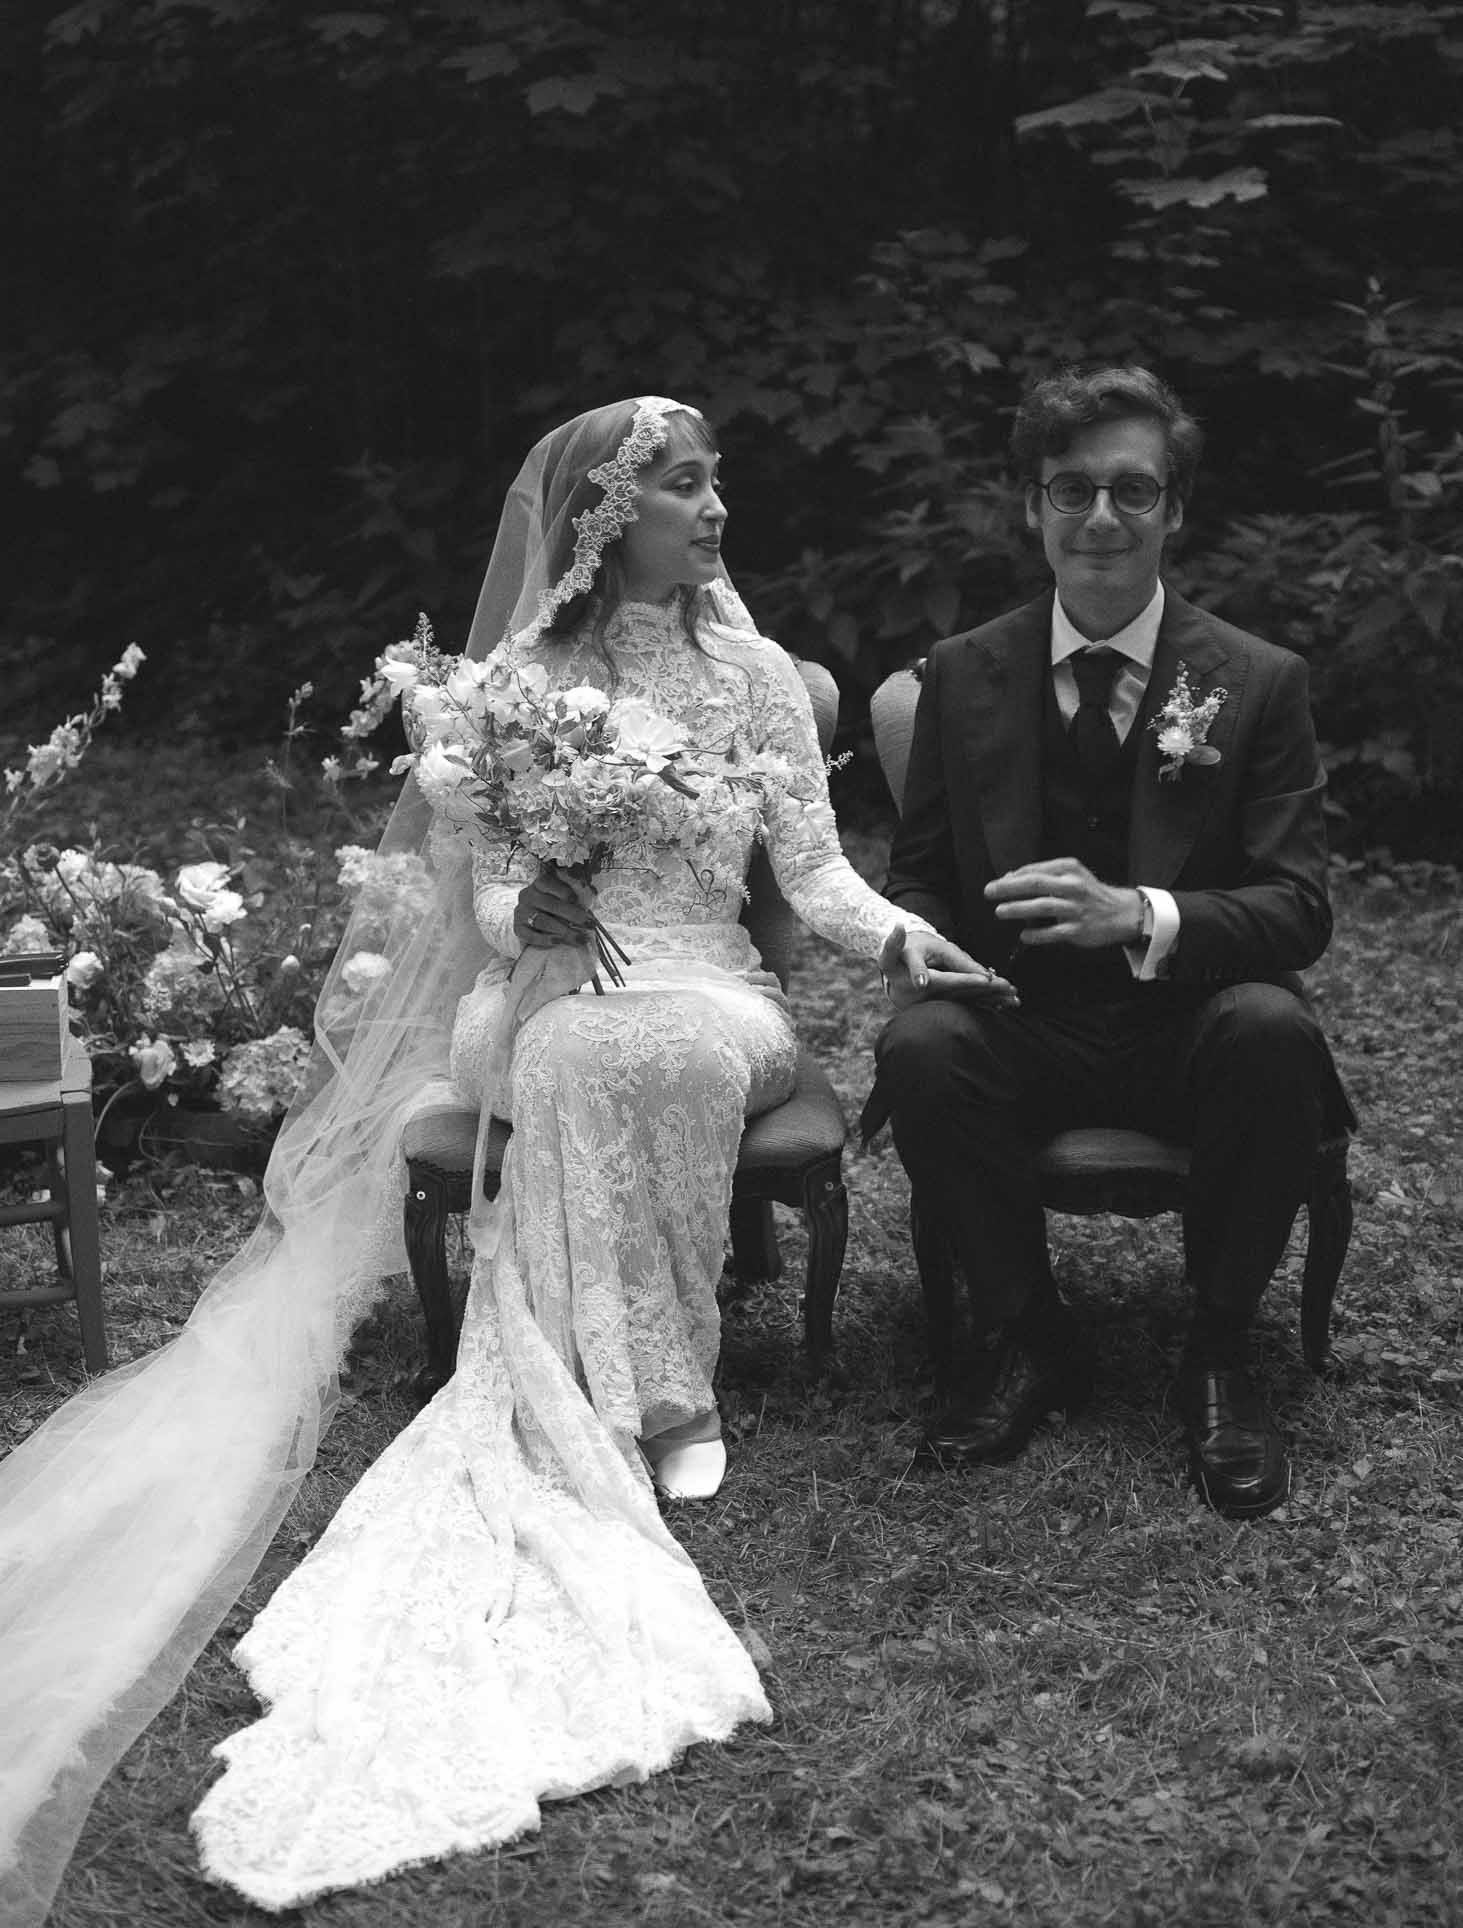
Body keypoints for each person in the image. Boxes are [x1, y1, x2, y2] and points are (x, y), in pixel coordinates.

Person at [0, 395, 934, 1918]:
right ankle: (641, 1388)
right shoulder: (516, 685)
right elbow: (492, 894)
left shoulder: (760, 678)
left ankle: (637, 1375)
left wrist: (909, 938)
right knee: (568, 1037)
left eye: (714, 486)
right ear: (603, 523)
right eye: (682, 490)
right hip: (545, 991)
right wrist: (535, 920)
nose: (713, 512)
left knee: (661, 1044)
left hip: (710, 983)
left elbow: (817, 873)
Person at [867, 364, 1354, 1519]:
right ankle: (1029, 1336)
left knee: (1273, 1025)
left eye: (1130, 492)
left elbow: (1299, 906)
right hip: (1019, 1019)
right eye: (1070, 489)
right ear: (1031, 506)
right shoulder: (963, 671)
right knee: (922, 1048)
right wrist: (919, 945)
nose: (1099, 517)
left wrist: (1136, 911)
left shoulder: (1255, 680)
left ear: (1173, 511)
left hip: (1186, 1027)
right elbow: (922, 877)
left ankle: (1221, 1354)